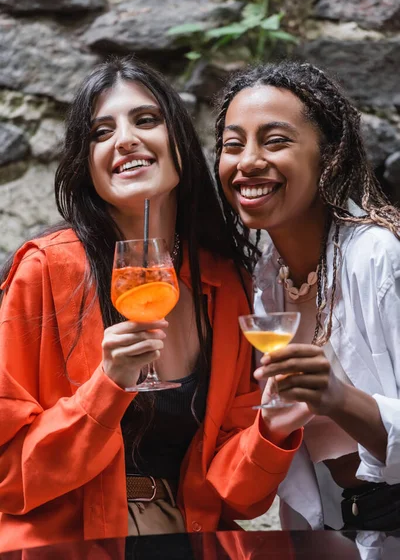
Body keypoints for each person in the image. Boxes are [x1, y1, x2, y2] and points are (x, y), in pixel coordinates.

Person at [0, 57, 302, 552]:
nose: (124, 140)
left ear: (178, 140)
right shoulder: (44, 272)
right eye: (101, 131)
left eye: (145, 120)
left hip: (188, 539)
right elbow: (10, 477)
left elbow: (240, 499)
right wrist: (107, 386)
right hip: (64, 545)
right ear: (86, 163)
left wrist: (274, 426)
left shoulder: (229, 284)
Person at [215, 60, 400, 530]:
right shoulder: (263, 280)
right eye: (232, 145)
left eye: (275, 141)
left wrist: (337, 397)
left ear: (330, 154)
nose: (247, 161)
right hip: (329, 533)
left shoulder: (379, 257)